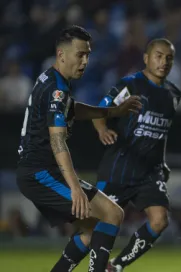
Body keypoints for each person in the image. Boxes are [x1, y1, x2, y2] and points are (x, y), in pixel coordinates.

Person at [16, 25, 142, 272]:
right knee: (112, 215)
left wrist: (113, 111)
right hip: (40, 172)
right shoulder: (57, 90)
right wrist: (75, 188)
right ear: (61, 55)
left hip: (36, 171)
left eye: (88, 54)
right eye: (80, 54)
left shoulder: (51, 79)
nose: (85, 61)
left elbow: (73, 109)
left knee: (93, 229)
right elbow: (57, 140)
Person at [51, 38, 181, 272]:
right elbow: (102, 108)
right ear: (146, 58)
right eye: (159, 56)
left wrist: (162, 163)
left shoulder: (173, 94)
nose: (164, 62)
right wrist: (102, 129)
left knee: (160, 220)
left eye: (168, 58)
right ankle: (61, 268)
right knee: (93, 232)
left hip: (149, 172)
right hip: (118, 168)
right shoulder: (131, 85)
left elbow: (161, 132)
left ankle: (118, 265)